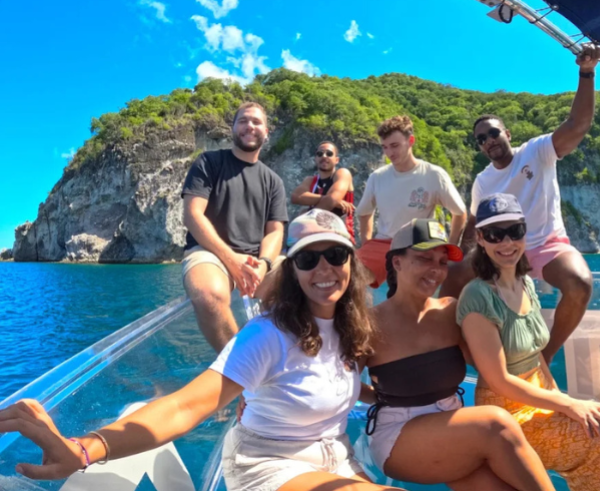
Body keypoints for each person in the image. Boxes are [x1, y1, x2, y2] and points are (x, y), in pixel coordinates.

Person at [0, 210, 405, 491]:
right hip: (271, 465)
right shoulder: (268, 334)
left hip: (336, 455)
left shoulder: (354, 325)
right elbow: (185, 406)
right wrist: (84, 449)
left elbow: (333, 379)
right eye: (308, 259)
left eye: (335, 255)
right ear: (291, 270)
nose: (323, 269)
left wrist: (392, 396)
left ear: (351, 262)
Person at [457, 194, 600, 491]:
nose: (506, 243)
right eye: (494, 234)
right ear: (481, 239)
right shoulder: (478, 297)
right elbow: (498, 380)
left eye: (514, 231)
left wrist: (560, 397)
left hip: (540, 396)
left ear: (525, 232)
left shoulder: (525, 282)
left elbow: (536, 355)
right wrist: (567, 404)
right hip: (508, 415)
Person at [364, 218, 554, 491]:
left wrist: (556, 398)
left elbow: (493, 365)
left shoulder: (449, 310)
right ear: (397, 263)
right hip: (399, 437)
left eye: (442, 262)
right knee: (494, 423)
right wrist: (381, 398)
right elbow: (339, 386)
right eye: (424, 259)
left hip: (453, 428)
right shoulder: (371, 323)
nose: (435, 270)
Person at [443, 44, 600, 365]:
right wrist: (459, 258)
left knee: (580, 284)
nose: (487, 140)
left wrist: (586, 73)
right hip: (500, 249)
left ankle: (543, 358)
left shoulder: (536, 152)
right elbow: (474, 226)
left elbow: (577, 125)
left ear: (507, 133)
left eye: (492, 133)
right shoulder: (483, 181)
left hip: (544, 244)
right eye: (480, 139)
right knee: (453, 277)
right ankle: (452, 352)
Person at [181, 101, 288, 352]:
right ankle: (242, 372)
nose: (249, 126)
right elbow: (192, 214)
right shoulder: (209, 162)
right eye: (243, 121)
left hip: (257, 262)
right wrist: (231, 259)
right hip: (210, 254)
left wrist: (264, 263)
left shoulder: (273, 181)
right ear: (233, 128)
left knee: (309, 282)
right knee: (209, 294)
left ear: (266, 131)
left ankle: (283, 357)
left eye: (256, 121)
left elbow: (275, 231)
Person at [355, 115, 467, 288]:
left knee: (410, 292)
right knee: (349, 279)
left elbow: (459, 213)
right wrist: (366, 242)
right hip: (384, 242)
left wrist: (450, 247)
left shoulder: (433, 175)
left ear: (411, 141)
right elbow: (364, 213)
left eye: (395, 146)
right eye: (385, 147)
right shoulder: (377, 177)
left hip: (417, 245)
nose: (390, 153)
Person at [291, 141, 356, 242]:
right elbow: (295, 197)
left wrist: (305, 215)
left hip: (340, 236)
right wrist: (325, 199)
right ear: (315, 159)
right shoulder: (310, 180)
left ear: (336, 160)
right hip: (313, 236)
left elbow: (331, 200)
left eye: (329, 154)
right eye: (320, 154)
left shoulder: (342, 173)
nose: (324, 156)